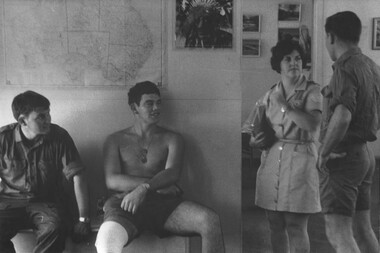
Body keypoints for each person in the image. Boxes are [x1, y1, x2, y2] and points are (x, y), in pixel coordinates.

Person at [95, 81, 225, 253]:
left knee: (210, 220)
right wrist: (154, 187)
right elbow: (112, 180)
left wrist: (145, 189)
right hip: (124, 202)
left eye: (158, 102)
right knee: (106, 243)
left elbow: (172, 173)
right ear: (134, 108)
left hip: (162, 205)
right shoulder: (115, 140)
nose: (156, 108)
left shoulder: (172, 139)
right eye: (149, 103)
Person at [249, 39, 323, 253]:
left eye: (298, 58)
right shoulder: (270, 93)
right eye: (287, 58)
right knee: (275, 224)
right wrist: (255, 141)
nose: (294, 63)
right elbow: (254, 126)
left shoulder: (312, 90)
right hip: (272, 161)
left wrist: (285, 105)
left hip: (301, 160)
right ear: (278, 64)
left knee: (295, 225)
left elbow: (312, 124)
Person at [318, 11, 380, 253]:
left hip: (342, 160)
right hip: (364, 156)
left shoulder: (344, 68)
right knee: (363, 229)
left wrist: (323, 153)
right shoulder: (371, 66)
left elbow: (343, 116)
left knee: (338, 232)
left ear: (331, 36)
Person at [0, 91, 91, 253]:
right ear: (22, 120)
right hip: (9, 203)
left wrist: (83, 219)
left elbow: (78, 177)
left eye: (48, 114)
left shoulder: (60, 136)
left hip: (47, 203)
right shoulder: (3, 139)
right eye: (41, 117)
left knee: (54, 227)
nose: (48, 120)